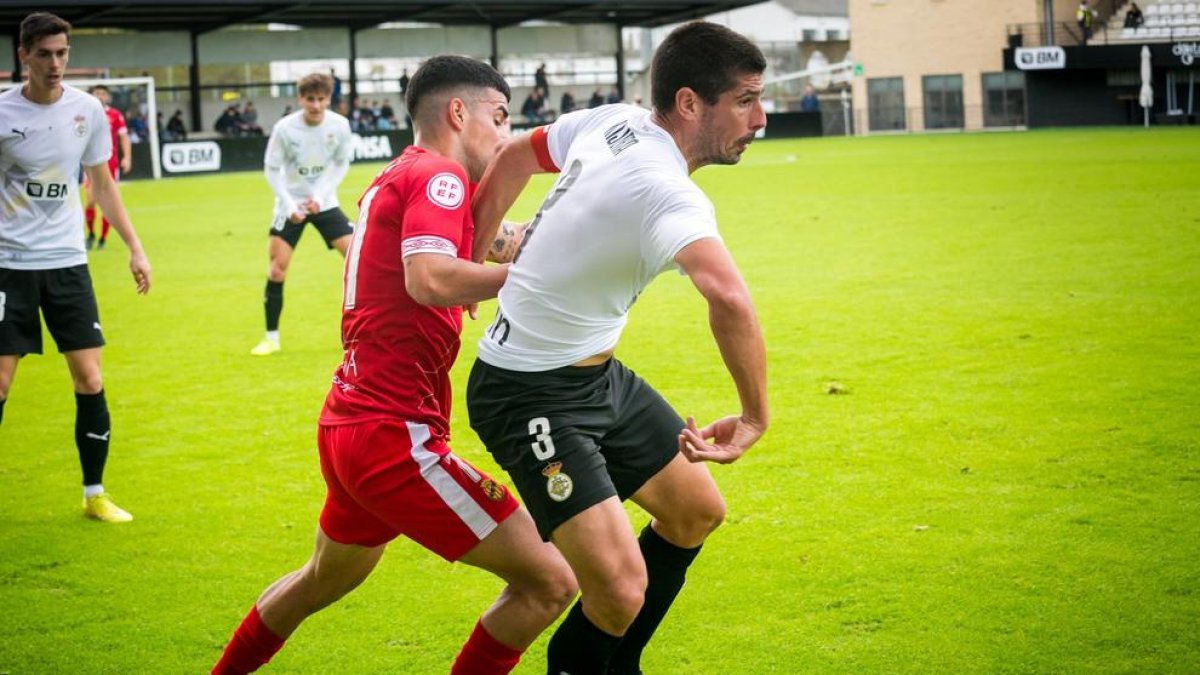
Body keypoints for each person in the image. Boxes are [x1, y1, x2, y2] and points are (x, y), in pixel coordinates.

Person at [212, 54, 576, 675]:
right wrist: (528, 281)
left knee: (318, 582)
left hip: (348, 423)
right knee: (551, 583)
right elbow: (431, 278)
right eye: (498, 116)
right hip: (394, 437)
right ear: (458, 113)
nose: (505, 133)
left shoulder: (399, 175)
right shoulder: (441, 176)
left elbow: (486, 244)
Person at [465, 20, 769, 675]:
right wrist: (753, 416)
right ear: (690, 103)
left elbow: (517, 153)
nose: (761, 116)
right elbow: (729, 297)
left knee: (695, 511)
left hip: (596, 376)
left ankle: (613, 662)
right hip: (525, 392)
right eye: (744, 100)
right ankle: (578, 662)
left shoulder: (615, 120)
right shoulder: (667, 192)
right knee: (620, 586)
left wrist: (474, 252)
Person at [0, 12, 152, 523]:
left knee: (89, 378)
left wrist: (134, 246)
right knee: (0, 383)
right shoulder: (2, 113)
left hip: (67, 263)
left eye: (62, 53)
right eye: (44, 53)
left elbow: (102, 185)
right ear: (24, 55)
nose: (56, 63)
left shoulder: (86, 111)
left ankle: (94, 494)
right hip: (8, 266)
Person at [249, 73, 354, 356]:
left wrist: (319, 197)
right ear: (300, 99)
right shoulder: (285, 128)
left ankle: (364, 334)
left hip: (324, 201)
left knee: (359, 257)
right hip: (290, 202)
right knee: (277, 268)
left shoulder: (340, 125)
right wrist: (289, 204)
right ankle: (271, 337)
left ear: (329, 99)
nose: (316, 105)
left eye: (321, 99)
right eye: (310, 99)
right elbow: (272, 169)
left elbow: (341, 163)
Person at [82, 84, 131, 250]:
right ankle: (91, 235)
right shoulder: (84, 114)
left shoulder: (115, 115)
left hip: (110, 165)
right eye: (97, 93)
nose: (100, 96)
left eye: (103, 93)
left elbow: (124, 137)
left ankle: (102, 239)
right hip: (89, 165)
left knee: (108, 203)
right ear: (92, 95)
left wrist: (127, 158)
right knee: (90, 201)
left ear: (107, 97)